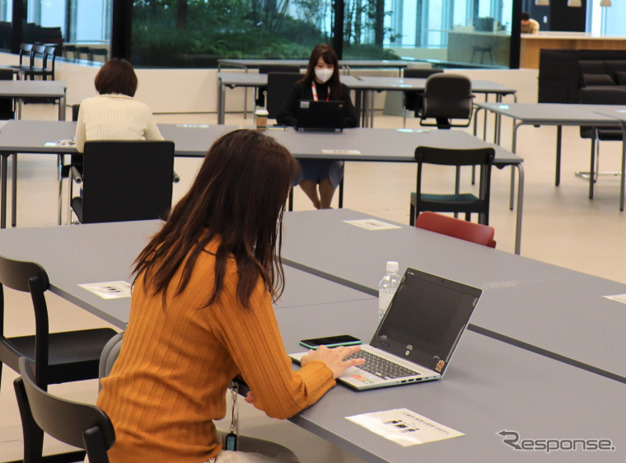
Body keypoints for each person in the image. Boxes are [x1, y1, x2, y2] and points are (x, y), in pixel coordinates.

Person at [96, 129, 365, 463]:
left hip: (112, 442)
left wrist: (264, 370)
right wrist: (323, 369)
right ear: (262, 205)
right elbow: (281, 401)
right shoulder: (235, 277)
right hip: (170, 454)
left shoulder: (168, 245)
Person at [277, 44, 358, 209]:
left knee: (328, 173)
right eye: (320, 66)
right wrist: (300, 123)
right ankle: (317, 203)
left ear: (335, 68)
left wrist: (335, 123)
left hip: (332, 148)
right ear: (312, 66)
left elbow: (353, 119)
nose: (325, 70)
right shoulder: (300, 88)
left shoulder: (341, 90)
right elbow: (282, 115)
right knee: (301, 171)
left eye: (329, 66)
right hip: (305, 147)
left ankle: (325, 209)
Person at [75, 58, 163, 152]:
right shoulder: (142, 109)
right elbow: (160, 147)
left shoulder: (87, 105)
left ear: (100, 80)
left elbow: (80, 148)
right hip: (132, 166)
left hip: (97, 166)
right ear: (132, 83)